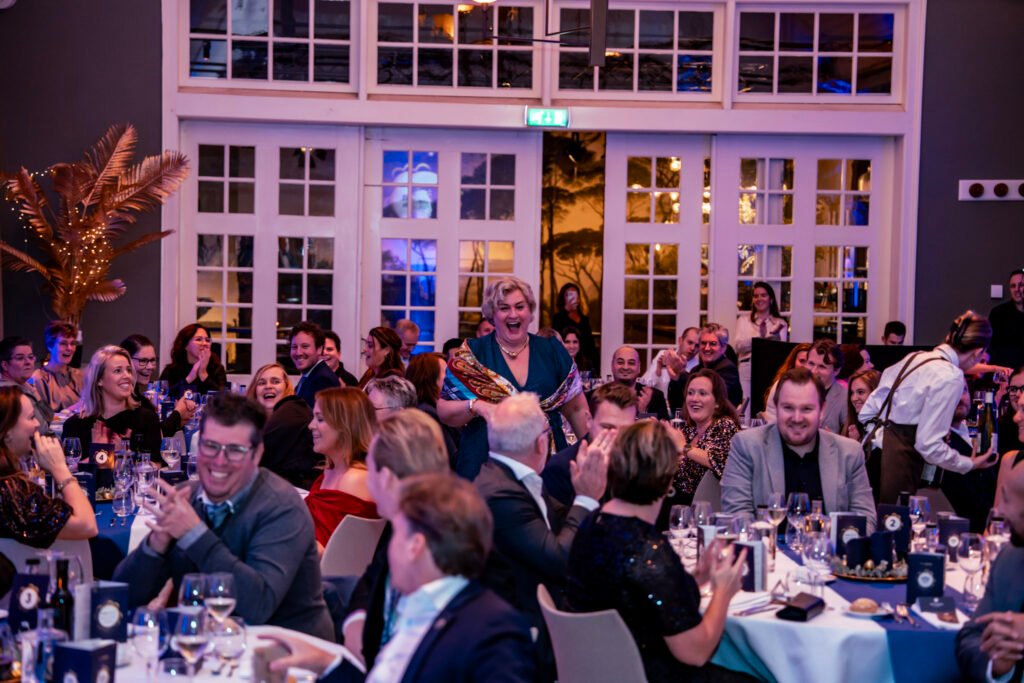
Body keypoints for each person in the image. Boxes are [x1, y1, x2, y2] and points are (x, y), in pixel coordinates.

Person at [264, 474, 537, 683]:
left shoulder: (493, 632)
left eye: (395, 535)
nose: (386, 552)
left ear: (415, 546)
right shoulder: (417, 606)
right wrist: (328, 663)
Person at [113, 393, 334, 639]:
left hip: (290, 648)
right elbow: (122, 598)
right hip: (212, 643)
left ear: (257, 453)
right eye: (210, 446)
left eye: (235, 450)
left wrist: (194, 533)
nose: (219, 461)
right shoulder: (188, 498)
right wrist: (156, 545)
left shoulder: (282, 507)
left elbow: (258, 607)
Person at [568, 419, 749, 683]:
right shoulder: (649, 551)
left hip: (596, 670)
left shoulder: (590, 525)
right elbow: (696, 652)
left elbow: (638, 595)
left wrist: (696, 579)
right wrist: (723, 591)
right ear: (667, 478)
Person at [473, 392, 609, 666]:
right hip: (522, 634)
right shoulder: (501, 494)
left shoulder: (510, 476)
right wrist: (586, 497)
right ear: (541, 442)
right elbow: (560, 560)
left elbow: (559, 518)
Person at [438, 276, 590, 481]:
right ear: (492, 314)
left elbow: (577, 410)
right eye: (504, 308)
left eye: (520, 306)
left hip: (547, 467)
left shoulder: (552, 351)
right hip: (483, 467)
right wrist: (477, 406)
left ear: (530, 312)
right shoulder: (472, 354)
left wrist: (590, 455)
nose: (513, 314)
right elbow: (444, 411)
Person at [342, 410, 454, 669]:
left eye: (369, 468)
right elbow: (371, 580)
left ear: (386, 478)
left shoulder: (443, 546)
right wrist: (356, 621)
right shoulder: (406, 525)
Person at [859, 310, 999, 503]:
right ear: (978, 352)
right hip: (902, 468)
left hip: (874, 461)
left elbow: (867, 412)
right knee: (900, 519)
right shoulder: (950, 375)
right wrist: (968, 464)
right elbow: (928, 444)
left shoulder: (915, 358)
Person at [721, 368, 877, 529]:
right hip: (766, 545)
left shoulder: (849, 453)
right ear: (776, 408)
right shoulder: (747, 446)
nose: (797, 418)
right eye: (788, 408)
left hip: (828, 545)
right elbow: (737, 516)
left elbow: (865, 521)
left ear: (822, 410)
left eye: (806, 409)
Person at [955, 451, 1024, 682]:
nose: (999, 511)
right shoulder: (1010, 559)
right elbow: (970, 637)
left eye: (1006, 499)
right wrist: (995, 665)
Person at [0, 385, 97, 546]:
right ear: (7, 432)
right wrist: (60, 469)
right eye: (31, 417)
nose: (37, 424)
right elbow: (87, 526)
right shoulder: (9, 492)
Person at [542, 381, 639, 507]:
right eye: (607, 427)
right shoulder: (560, 468)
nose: (616, 437)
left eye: (625, 430)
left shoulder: (641, 465)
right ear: (589, 420)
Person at [305, 388, 378, 549]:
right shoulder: (330, 471)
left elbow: (336, 555)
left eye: (320, 419)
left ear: (345, 425)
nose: (311, 425)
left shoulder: (354, 479)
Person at [61, 346, 162, 463]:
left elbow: (156, 466)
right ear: (99, 380)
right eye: (118, 371)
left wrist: (122, 455)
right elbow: (68, 470)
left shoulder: (146, 419)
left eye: (129, 370)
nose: (127, 376)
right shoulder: (75, 425)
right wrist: (107, 454)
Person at [669, 370, 741, 503]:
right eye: (690, 393)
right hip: (675, 500)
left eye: (702, 393)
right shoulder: (689, 430)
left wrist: (684, 448)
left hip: (704, 507)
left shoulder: (724, 425)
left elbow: (721, 462)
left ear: (717, 402)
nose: (694, 399)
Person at [247, 362, 317, 490]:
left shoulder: (294, 407)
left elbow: (254, 455)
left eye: (275, 381)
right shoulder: (256, 422)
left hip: (299, 491)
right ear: (255, 391)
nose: (268, 386)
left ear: (286, 388)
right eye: (261, 383)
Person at [121, 334, 197, 437]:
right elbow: (154, 436)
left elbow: (156, 433)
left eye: (152, 360)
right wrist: (178, 413)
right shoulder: (122, 398)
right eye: (143, 361)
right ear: (126, 361)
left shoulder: (140, 398)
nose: (150, 367)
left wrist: (180, 419)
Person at [733, 282, 788, 412]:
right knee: (746, 406)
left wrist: (757, 342)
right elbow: (739, 346)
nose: (759, 299)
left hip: (770, 369)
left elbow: (780, 349)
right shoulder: (743, 320)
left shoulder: (780, 323)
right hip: (747, 366)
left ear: (771, 299)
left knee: (767, 406)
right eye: (756, 296)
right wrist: (762, 341)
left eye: (763, 295)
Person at [404, 353, 458, 467]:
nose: (452, 377)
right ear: (429, 378)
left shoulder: (431, 409)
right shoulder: (427, 414)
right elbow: (453, 459)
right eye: (447, 372)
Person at [158, 323, 227, 397]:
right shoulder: (171, 370)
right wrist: (189, 378)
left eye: (207, 340)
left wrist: (203, 374)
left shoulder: (217, 369)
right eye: (199, 339)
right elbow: (162, 396)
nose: (204, 343)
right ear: (185, 345)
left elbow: (222, 398)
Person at [843, 368, 881, 497]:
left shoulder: (888, 431)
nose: (854, 398)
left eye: (860, 392)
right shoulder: (856, 428)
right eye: (852, 393)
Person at [0, 336, 54, 428]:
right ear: (5, 365)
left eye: (30, 357)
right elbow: (41, 427)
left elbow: (50, 417)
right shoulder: (10, 394)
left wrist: (33, 390)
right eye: (20, 358)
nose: (28, 362)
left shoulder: (24, 387)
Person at [29, 321, 82, 413]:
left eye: (73, 343)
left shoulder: (80, 376)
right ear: (50, 345)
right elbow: (41, 417)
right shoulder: (38, 379)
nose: (69, 348)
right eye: (63, 343)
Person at [609, 345, 670, 420]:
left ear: (639, 368)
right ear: (612, 366)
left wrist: (643, 413)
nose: (625, 367)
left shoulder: (655, 397)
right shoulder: (598, 396)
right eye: (620, 362)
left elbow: (663, 427)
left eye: (631, 363)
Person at [291, 321, 341, 408]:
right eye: (294, 347)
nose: (298, 353)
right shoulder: (311, 375)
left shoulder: (323, 380)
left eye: (305, 346)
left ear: (319, 349)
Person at [693, 323, 743, 408]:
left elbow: (709, 397)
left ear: (723, 348)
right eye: (703, 343)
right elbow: (680, 401)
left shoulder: (728, 369)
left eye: (713, 344)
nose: (707, 348)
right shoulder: (696, 370)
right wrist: (677, 376)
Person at [803, 339, 848, 433]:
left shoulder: (845, 398)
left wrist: (831, 438)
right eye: (811, 363)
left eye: (822, 366)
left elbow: (848, 438)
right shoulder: (794, 390)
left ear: (836, 371)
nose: (814, 371)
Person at [763, 342, 811, 422]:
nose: (805, 366)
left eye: (809, 362)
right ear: (793, 362)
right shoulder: (786, 383)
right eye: (802, 361)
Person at [552, 281, 596, 366]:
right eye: (568, 295)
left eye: (574, 294)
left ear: (578, 298)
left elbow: (590, 344)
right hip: (564, 362)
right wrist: (566, 310)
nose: (571, 298)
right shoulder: (559, 318)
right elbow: (556, 341)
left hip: (584, 362)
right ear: (563, 298)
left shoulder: (584, 319)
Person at [989, 268, 1024, 367]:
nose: (1017, 290)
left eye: (1021, 285)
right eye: (1013, 286)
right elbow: (992, 348)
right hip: (1005, 369)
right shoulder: (997, 313)